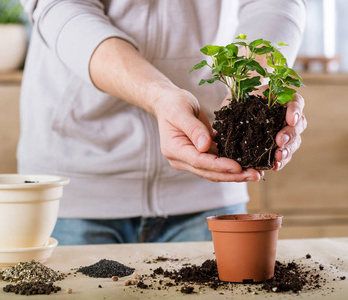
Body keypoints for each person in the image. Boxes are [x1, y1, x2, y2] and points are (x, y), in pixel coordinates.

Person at [18, 0, 307, 245]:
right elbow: (61, 8)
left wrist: (256, 85)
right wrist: (158, 95)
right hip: (75, 180)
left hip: (206, 175)